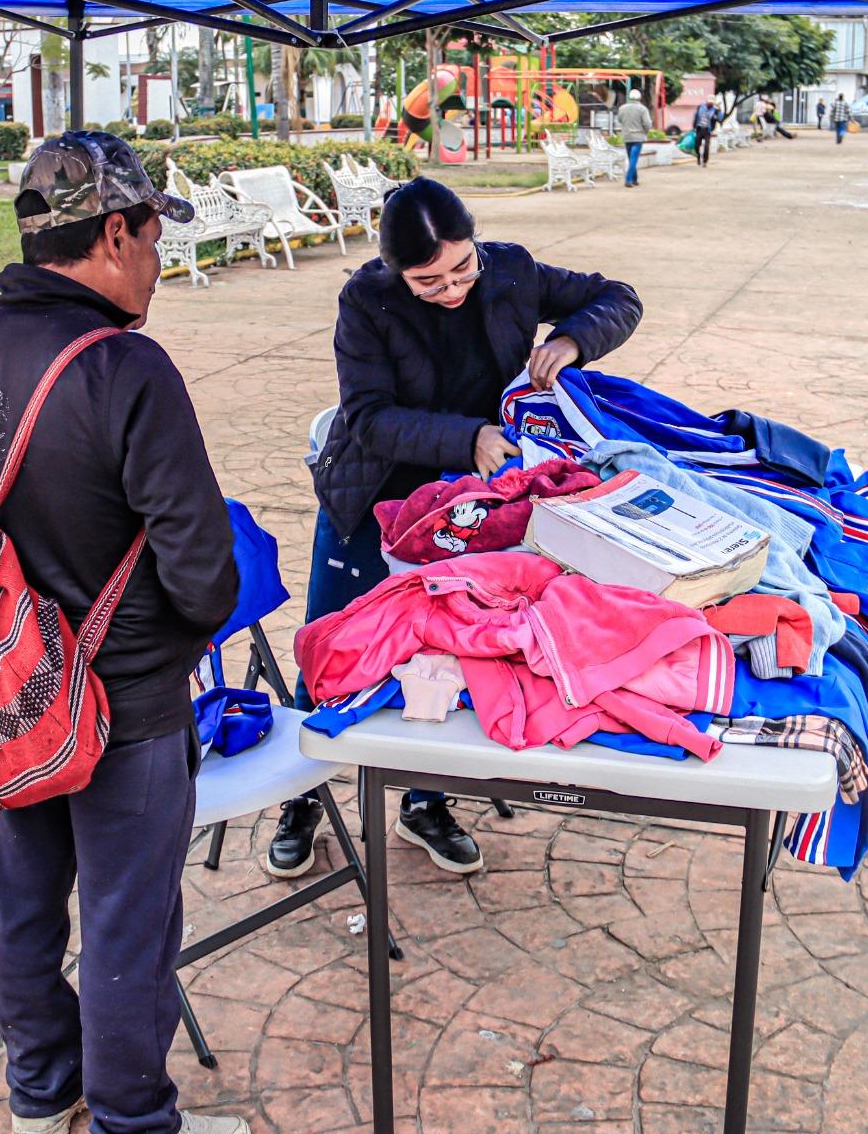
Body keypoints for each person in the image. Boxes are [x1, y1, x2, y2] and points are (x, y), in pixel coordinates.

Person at [0, 132, 247, 1134]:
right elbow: (205, 573)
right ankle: (131, 1120)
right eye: (152, 237)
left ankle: (40, 1098)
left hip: (5, 697)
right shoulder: (126, 368)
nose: (156, 261)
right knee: (126, 928)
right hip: (126, 708)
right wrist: (170, 641)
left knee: (25, 911)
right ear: (114, 234)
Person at [272, 177, 642, 879]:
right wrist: (467, 438)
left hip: (469, 507)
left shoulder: (512, 269)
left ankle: (426, 800)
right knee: (332, 642)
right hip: (374, 494)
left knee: (445, 646)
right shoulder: (367, 300)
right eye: (428, 281)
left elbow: (618, 298)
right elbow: (368, 417)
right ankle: (301, 796)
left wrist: (571, 339)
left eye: (462, 269)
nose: (451, 290)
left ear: (476, 244)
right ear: (396, 272)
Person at [617, 87, 651, 187]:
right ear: (639, 98)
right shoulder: (642, 109)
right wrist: (645, 131)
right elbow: (647, 123)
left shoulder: (622, 108)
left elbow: (619, 119)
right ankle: (628, 180)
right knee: (634, 158)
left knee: (631, 158)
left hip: (627, 136)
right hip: (638, 137)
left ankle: (635, 179)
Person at [692, 97, 721, 167]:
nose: (710, 104)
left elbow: (720, 118)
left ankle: (705, 161)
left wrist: (719, 110)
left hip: (707, 130)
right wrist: (694, 126)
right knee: (697, 145)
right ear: (707, 102)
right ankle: (698, 157)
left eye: (711, 103)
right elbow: (696, 116)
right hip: (699, 129)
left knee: (706, 146)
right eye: (709, 103)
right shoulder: (700, 107)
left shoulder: (714, 110)